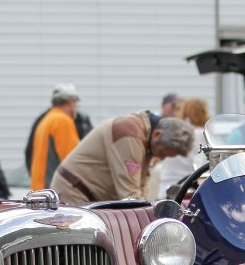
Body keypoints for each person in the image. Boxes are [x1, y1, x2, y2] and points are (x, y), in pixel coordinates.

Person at [53, 115, 195, 205]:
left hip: (88, 196)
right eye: (162, 153)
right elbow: (130, 196)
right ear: (157, 134)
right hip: (74, 193)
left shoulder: (146, 139)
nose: (161, 158)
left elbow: (140, 191)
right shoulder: (130, 135)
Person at [25, 83, 82, 192]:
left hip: (40, 190)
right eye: (76, 102)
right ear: (71, 102)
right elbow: (72, 161)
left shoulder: (46, 120)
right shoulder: (62, 121)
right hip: (53, 192)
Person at [152, 98, 209, 200]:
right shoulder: (203, 135)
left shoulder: (174, 134)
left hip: (165, 190)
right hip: (187, 192)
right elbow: (205, 165)